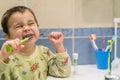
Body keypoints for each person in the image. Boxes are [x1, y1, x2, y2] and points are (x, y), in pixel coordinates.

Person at [0, 6, 71, 80]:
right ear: (7, 36)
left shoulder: (44, 53)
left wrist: (59, 45)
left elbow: (63, 72)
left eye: (31, 23)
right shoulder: (5, 57)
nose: (27, 28)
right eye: (19, 26)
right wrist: (2, 56)